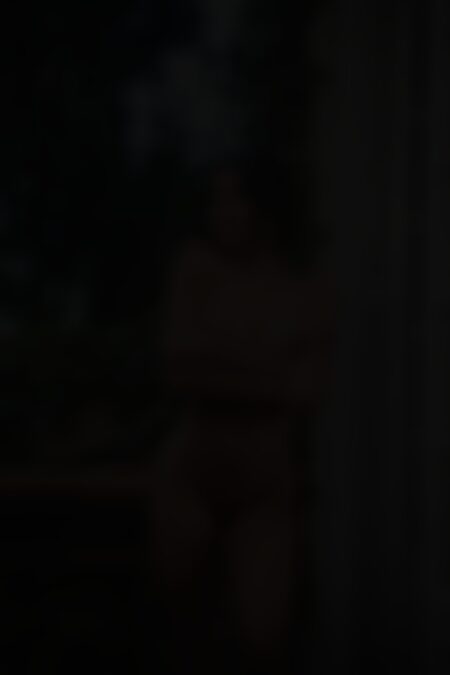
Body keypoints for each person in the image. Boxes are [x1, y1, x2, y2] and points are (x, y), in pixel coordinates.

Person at [150, 164, 334, 675]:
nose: (222, 214)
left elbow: (308, 390)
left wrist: (223, 368)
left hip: (264, 489)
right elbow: (181, 367)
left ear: (266, 210)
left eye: (234, 201)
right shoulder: (196, 266)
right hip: (193, 472)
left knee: (263, 639)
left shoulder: (304, 284)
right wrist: (268, 375)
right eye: (216, 202)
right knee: (177, 621)